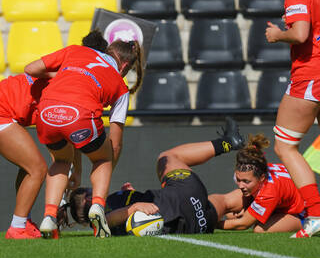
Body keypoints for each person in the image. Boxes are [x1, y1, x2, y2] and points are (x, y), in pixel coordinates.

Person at [25, 30, 144, 239]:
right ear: (124, 66)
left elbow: (31, 69)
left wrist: (65, 74)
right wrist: (106, 168)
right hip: (80, 116)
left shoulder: (75, 51)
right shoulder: (120, 86)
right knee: (103, 157)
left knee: (61, 160)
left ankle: (49, 216)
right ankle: (98, 207)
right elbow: (115, 142)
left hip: (45, 112)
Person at [57, 117, 246, 235]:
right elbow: (112, 217)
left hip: (197, 223)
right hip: (185, 195)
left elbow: (119, 216)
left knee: (226, 201)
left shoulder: (111, 211)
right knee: (166, 158)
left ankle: (261, 200)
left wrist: (129, 195)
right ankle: (227, 143)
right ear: (91, 197)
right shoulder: (102, 220)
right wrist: (134, 207)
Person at [265, 0, 320, 237]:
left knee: (285, 146)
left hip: (311, 74)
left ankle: (315, 213)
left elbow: (300, 33)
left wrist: (277, 35)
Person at [210, 134, 305, 233]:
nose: (241, 186)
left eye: (246, 181)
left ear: (262, 178)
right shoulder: (252, 169)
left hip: (300, 213)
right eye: (238, 179)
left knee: (259, 229)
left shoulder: (269, 192)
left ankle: (304, 224)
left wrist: (212, 224)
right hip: (278, 202)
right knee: (230, 210)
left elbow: (243, 224)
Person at [0, 74, 48, 239]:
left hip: (5, 111)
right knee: (37, 169)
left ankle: (23, 222)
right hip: (2, 111)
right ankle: (17, 228)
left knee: (30, 168)